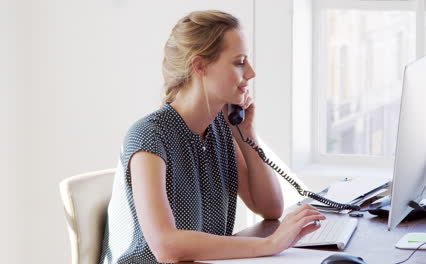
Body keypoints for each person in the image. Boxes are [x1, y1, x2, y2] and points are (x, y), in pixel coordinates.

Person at [99, 10, 325, 264]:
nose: (250, 72)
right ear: (200, 66)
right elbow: (166, 247)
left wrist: (246, 134)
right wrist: (270, 244)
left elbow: (269, 207)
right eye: (239, 62)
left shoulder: (219, 128)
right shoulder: (149, 137)